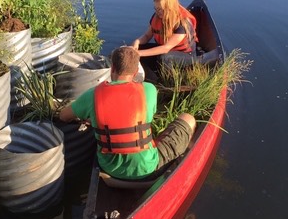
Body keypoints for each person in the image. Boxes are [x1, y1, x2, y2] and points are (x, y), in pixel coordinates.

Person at [59, 46, 196, 181]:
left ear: (112, 68)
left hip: (109, 167)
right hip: (146, 168)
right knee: (188, 119)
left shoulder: (93, 94)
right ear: (136, 72)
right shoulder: (149, 90)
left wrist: (91, 118)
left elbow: (63, 116)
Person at [132, 0, 198, 74]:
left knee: (165, 57)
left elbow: (166, 48)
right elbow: (147, 36)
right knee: (136, 48)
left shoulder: (182, 23)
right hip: (164, 49)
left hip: (185, 55)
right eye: (156, 9)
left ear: (169, 8)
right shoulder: (157, 17)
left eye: (160, 9)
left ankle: (168, 81)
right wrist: (137, 43)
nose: (157, 12)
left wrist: (138, 53)